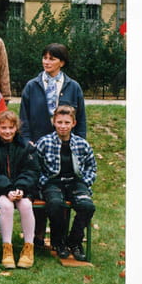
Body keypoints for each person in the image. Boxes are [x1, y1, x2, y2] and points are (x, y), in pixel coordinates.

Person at [19, 43, 86, 248]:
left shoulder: (72, 87)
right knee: (40, 187)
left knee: (62, 188)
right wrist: (27, 140)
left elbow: (81, 120)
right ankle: (38, 234)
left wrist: (78, 142)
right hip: (38, 146)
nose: (46, 62)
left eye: (52, 59)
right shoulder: (32, 86)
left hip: (65, 145)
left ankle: (61, 236)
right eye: (45, 58)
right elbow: (23, 117)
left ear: (62, 62)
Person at [0, 110, 40, 269]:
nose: (7, 131)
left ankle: (28, 247)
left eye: (11, 128)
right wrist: (7, 189)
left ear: (16, 128)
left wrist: (20, 188)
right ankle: (7, 248)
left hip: (21, 189)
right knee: (6, 206)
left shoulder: (25, 146)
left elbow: (31, 170)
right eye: (3, 127)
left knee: (26, 205)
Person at [35, 105, 96, 262]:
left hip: (75, 182)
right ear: (53, 122)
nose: (63, 126)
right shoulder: (44, 142)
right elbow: (35, 167)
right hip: (52, 182)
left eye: (67, 122)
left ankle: (74, 241)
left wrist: (85, 182)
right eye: (59, 122)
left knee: (87, 206)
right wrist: (43, 182)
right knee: (55, 204)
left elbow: (91, 167)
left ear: (73, 123)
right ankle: (58, 242)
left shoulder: (82, 144)